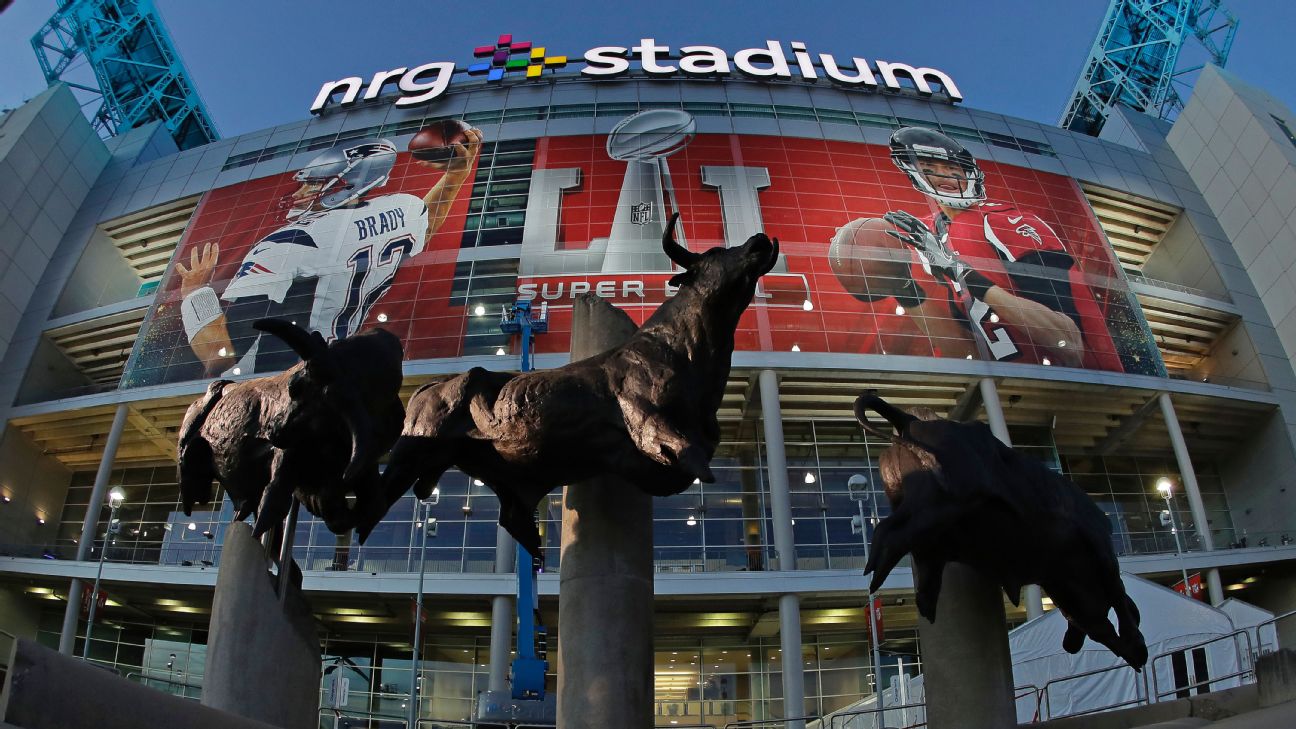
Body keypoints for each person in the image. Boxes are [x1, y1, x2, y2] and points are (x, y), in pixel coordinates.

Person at [174, 127, 481, 377]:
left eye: (312, 185)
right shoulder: (398, 210)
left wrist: (195, 293)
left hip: (279, 383)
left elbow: (220, 355)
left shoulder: (286, 243)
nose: (298, 194)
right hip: (341, 373)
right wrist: (455, 177)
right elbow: (425, 225)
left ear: (346, 185)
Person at [881, 127, 1122, 369]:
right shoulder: (926, 233)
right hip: (1008, 386)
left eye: (952, 169)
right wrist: (905, 290)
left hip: (1080, 381)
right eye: (929, 169)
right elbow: (964, 351)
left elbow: (1070, 344)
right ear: (914, 174)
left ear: (969, 173)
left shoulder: (1002, 220)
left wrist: (962, 274)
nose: (944, 177)